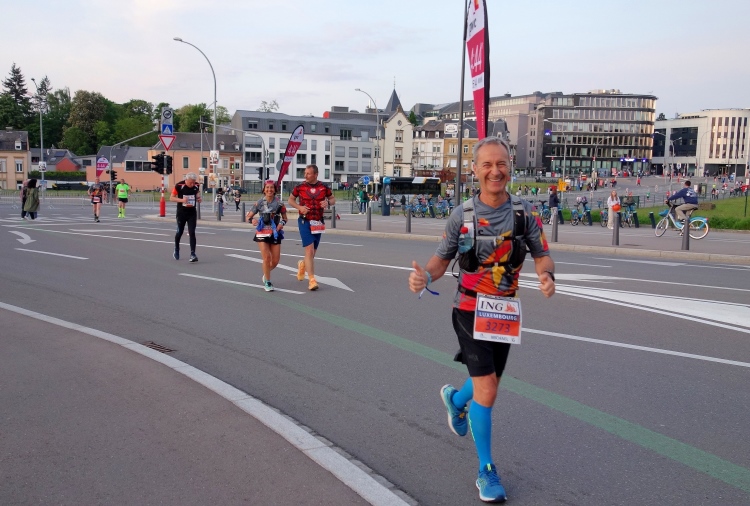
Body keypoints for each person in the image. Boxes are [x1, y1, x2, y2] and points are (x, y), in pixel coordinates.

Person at [408, 137, 555, 503]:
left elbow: (542, 254)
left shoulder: (525, 213)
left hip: (505, 313)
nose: (495, 171)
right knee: (487, 389)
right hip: (469, 309)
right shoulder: (462, 216)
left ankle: (456, 400)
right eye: (487, 164)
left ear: (510, 166)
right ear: (474, 169)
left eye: (501, 163)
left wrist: (547, 275)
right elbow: (441, 260)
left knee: (487, 384)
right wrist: (425, 277)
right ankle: (486, 470)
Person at [288, 164, 335, 291]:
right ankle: (312, 280)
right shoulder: (300, 187)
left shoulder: (324, 187)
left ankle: (303, 264)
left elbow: (332, 199)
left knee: (312, 253)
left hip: (318, 222)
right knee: (309, 251)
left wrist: (327, 202)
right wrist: (300, 207)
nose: (305, 175)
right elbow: (291, 200)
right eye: (305, 173)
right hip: (304, 221)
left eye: (308, 173)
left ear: (315, 174)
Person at [246, 180, 288, 292]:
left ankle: (266, 274)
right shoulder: (259, 202)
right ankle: (268, 282)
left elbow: (285, 218)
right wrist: (252, 220)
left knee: (275, 260)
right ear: (264, 190)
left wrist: (281, 224)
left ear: (275, 190)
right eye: (267, 188)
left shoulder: (280, 203)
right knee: (266, 257)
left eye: (271, 188)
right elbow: (248, 216)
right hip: (262, 232)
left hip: (275, 232)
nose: (269, 190)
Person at [171, 173, 202, 262]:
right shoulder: (179, 185)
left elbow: (197, 193)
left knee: (192, 232)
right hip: (181, 213)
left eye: (193, 182)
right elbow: (171, 198)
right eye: (190, 182)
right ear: (186, 180)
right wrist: (182, 200)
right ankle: (176, 248)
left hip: (192, 213)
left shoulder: (196, 185)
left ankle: (193, 254)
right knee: (179, 232)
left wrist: (198, 198)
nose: (192, 184)